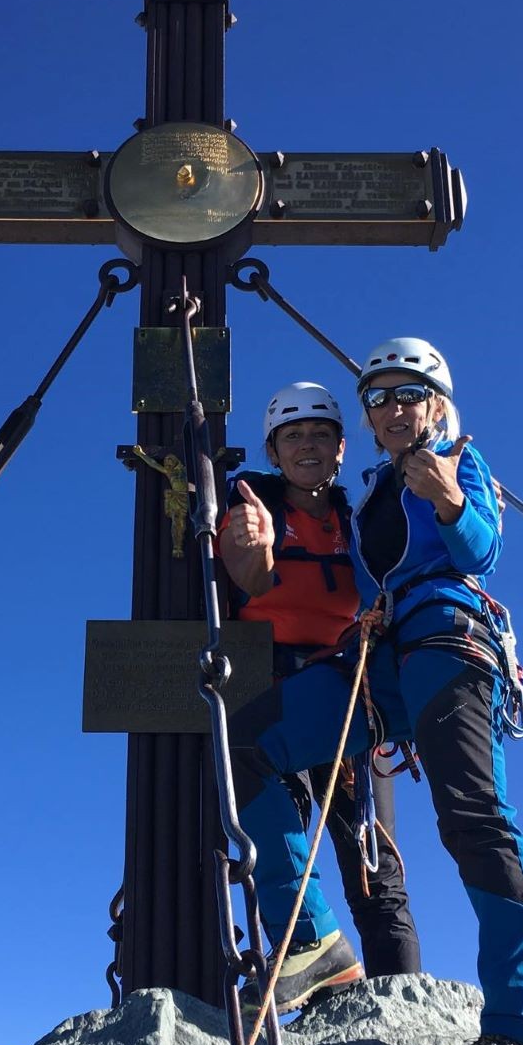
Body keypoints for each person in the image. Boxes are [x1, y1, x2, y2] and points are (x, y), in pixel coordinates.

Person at [228, 340, 523, 1045]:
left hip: (450, 641)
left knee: (476, 821)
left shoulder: (457, 459)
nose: (389, 408)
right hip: (383, 659)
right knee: (250, 742)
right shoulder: (376, 487)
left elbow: (481, 549)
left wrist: (451, 497)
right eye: (376, 397)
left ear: (438, 402)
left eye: (406, 393)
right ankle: (312, 940)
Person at [218, 382, 422, 992]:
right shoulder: (255, 507)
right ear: (273, 451)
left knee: (372, 862)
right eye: (292, 435)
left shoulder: (359, 518)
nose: (307, 444)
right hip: (274, 686)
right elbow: (250, 582)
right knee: (277, 828)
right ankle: (314, 949)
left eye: (320, 434)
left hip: (348, 684)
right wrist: (254, 551)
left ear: (339, 449)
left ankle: (398, 1005)